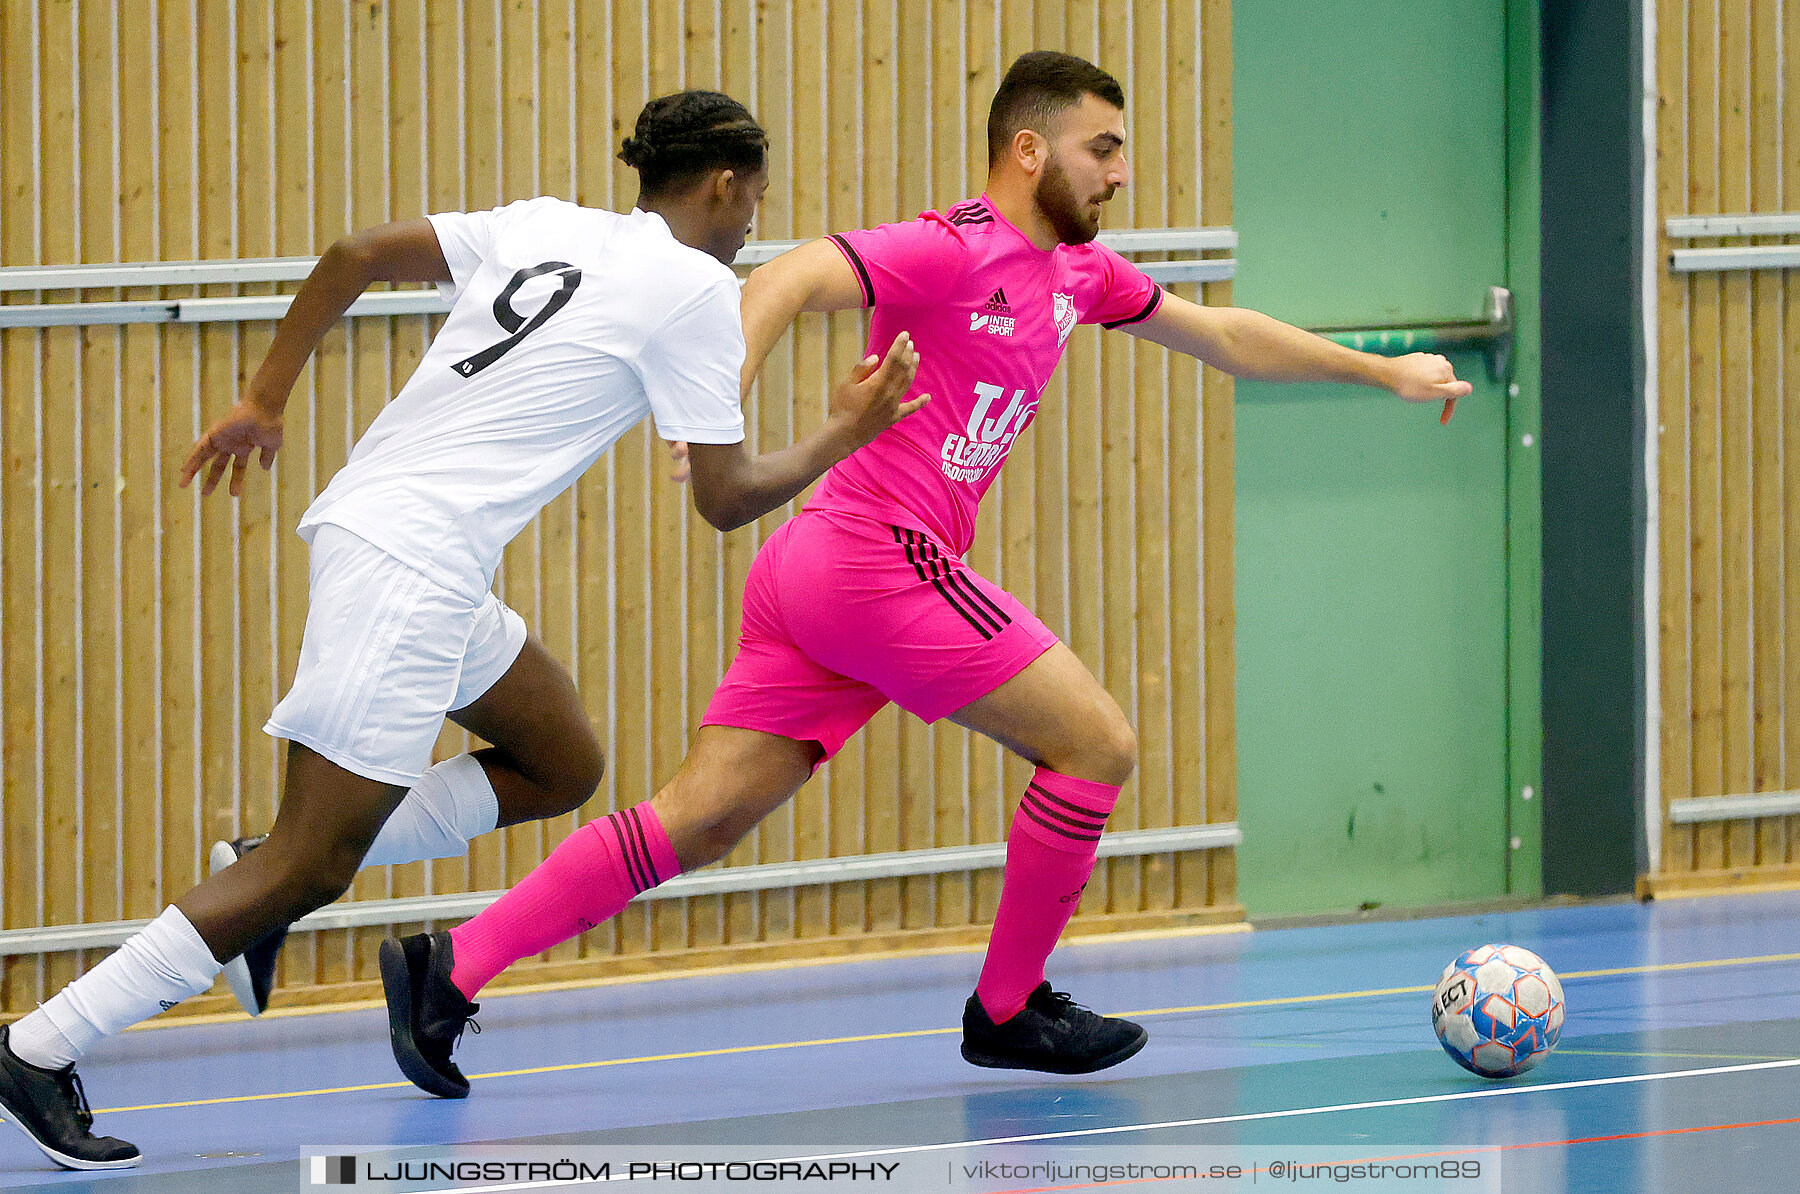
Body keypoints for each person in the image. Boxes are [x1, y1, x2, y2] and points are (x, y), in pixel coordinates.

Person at [377, 51, 1472, 1097]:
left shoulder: (1078, 273)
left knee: (698, 819)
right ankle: (1007, 1010)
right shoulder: (956, 246)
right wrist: (722, 391)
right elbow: (796, 273)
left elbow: (1225, 333)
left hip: (821, 573)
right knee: (1097, 743)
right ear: (1031, 151)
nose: (1122, 173)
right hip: (873, 557)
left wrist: (1385, 373)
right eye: (1104, 148)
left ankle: (450, 968)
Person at [0, 90, 923, 1172]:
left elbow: (350, 253)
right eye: (755, 202)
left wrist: (264, 399)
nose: (753, 224)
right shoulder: (693, 289)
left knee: (559, 759)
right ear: (723, 183)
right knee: (313, 863)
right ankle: (38, 1045)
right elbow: (724, 499)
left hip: (392, 535)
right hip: (413, 567)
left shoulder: (545, 222)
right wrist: (841, 434)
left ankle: (253, 865)